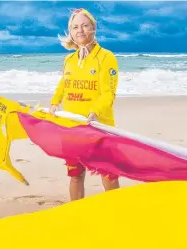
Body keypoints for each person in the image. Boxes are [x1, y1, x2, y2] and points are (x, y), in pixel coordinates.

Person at [49, 8, 121, 201]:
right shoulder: (69, 59)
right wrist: (55, 103)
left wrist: (95, 112)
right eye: (75, 27)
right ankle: (76, 215)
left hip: (99, 127)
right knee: (75, 175)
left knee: (109, 175)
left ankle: (116, 212)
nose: (79, 30)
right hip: (72, 128)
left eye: (84, 25)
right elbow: (63, 84)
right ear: (70, 32)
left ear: (93, 28)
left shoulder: (107, 57)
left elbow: (109, 94)